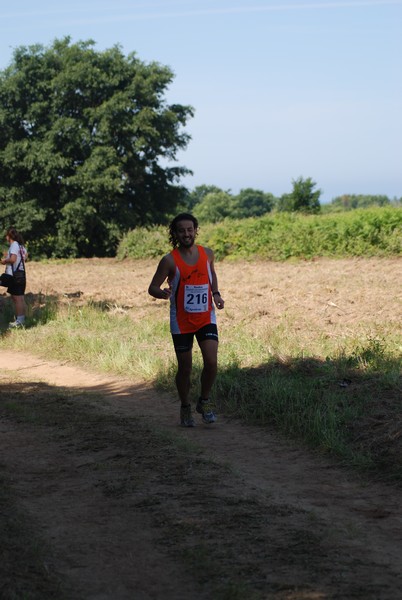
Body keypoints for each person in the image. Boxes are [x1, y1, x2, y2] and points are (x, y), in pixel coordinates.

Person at [148, 213, 224, 427]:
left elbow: (212, 274)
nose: (186, 234)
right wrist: (162, 293)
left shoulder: (207, 254)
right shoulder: (169, 260)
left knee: (211, 362)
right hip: (181, 321)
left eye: (190, 229)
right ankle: (185, 406)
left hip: (205, 316)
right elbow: (152, 287)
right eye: (181, 230)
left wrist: (216, 293)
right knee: (185, 369)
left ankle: (204, 401)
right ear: (175, 233)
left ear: (195, 230)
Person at [1, 227, 28, 328]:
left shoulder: (14, 245)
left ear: (9, 236)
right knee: (18, 297)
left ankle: (19, 322)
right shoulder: (20, 246)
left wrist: (4, 261)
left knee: (17, 298)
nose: (6, 237)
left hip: (14, 275)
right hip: (20, 274)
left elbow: (13, 259)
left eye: (6, 235)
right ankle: (22, 319)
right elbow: (26, 255)